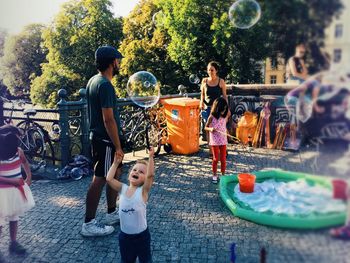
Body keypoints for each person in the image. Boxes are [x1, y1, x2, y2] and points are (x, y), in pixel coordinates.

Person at [81, 45, 125, 237]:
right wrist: (117, 146)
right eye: (117, 60)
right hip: (105, 140)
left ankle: (111, 213)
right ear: (111, 62)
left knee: (116, 173)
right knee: (100, 179)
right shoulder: (105, 85)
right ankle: (89, 223)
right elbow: (108, 119)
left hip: (99, 138)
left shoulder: (94, 80)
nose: (119, 63)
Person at [106, 147, 155, 263]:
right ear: (129, 175)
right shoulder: (123, 189)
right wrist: (115, 163)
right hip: (125, 237)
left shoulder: (143, 192)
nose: (136, 172)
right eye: (134, 170)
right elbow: (109, 179)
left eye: (141, 172)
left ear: (144, 179)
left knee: (146, 261)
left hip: (142, 237)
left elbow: (150, 175)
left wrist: (151, 157)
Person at [0, 125, 35, 257]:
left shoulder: (18, 151)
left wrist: (28, 176)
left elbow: (25, 162)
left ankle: (13, 242)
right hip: (1, 194)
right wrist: (12, 181)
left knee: (14, 216)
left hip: (15, 192)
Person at [199, 61, 228, 153]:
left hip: (218, 109)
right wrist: (201, 103)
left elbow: (224, 96)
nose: (210, 72)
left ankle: (222, 147)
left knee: (220, 128)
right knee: (208, 129)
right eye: (208, 70)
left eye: (212, 70)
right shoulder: (204, 81)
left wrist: (227, 108)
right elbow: (202, 94)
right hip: (207, 108)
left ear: (216, 71)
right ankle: (211, 150)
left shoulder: (221, 81)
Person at [205, 97, 229, 184]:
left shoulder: (225, 115)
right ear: (218, 108)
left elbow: (224, 126)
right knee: (215, 159)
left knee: (223, 159)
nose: (224, 110)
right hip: (215, 140)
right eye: (223, 109)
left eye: (225, 109)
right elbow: (205, 127)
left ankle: (223, 175)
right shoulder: (211, 117)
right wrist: (210, 129)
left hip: (223, 139)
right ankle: (214, 175)